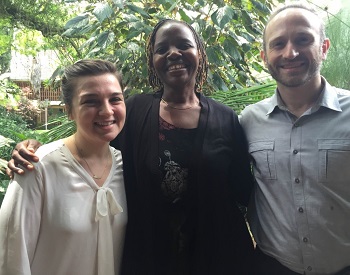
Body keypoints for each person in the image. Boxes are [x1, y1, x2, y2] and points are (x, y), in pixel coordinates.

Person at [7, 19, 256, 274]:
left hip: (216, 258)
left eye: (184, 45)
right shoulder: (134, 111)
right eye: (162, 49)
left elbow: (243, 191)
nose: (173, 53)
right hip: (148, 259)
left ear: (199, 54)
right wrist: (38, 148)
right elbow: (91, 139)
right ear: (153, 61)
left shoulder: (226, 119)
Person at [239, 2, 350, 275]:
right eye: (278, 44)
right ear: (264, 56)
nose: (291, 52)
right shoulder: (249, 121)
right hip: (272, 266)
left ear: (323, 47)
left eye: (303, 39)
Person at [0, 59, 127, 275]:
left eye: (115, 99)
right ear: (69, 111)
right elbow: (11, 257)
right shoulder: (39, 167)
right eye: (91, 101)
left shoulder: (128, 166)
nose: (106, 111)